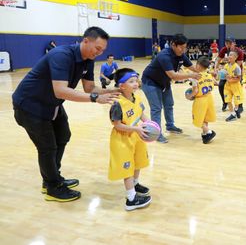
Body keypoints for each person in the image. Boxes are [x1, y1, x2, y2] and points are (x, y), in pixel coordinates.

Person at [13, 27, 120, 202]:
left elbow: (89, 88)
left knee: (63, 136)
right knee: (47, 147)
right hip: (30, 106)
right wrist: (94, 99)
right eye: (97, 48)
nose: (99, 53)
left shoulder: (88, 59)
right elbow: (61, 91)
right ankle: (53, 188)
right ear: (86, 41)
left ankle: (52, 178)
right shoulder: (61, 55)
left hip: (51, 105)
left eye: (102, 50)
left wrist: (113, 90)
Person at [141, 34, 200, 143]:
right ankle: (157, 134)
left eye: (185, 47)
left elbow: (192, 67)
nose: (183, 50)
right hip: (150, 82)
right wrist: (191, 75)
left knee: (169, 104)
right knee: (157, 108)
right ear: (173, 45)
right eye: (181, 47)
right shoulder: (164, 55)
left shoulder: (181, 54)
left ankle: (170, 125)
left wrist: (207, 71)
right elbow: (173, 75)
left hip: (164, 82)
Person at [108, 68, 151, 211]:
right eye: (131, 81)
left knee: (138, 162)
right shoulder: (117, 104)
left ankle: (135, 183)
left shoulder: (137, 98)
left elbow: (141, 114)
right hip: (122, 139)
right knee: (127, 169)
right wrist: (137, 129)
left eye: (136, 81)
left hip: (136, 135)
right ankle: (131, 199)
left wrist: (150, 125)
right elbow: (117, 125)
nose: (135, 84)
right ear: (121, 86)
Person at [187, 56, 217, 144]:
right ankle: (205, 134)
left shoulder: (195, 77)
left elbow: (195, 91)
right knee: (205, 117)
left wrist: (189, 96)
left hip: (200, 100)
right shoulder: (209, 75)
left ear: (199, 66)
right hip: (209, 98)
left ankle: (209, 132)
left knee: (198, 118)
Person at [215, 37, 245, 116]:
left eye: (230, 43)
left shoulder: (239, 51)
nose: (228, 45)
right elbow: (218, 60)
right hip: (227, 71)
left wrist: (231, 76)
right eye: (226, 43)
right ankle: (225, 102)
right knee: (221, 85)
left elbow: (238, 64)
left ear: (234, 43)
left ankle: (240, 106)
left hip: (236, 73)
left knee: (238, 89)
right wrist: (216, 69)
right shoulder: (224, 50)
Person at [224, 51, 244, 122]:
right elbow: (225, 75)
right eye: (229, 55)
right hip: (227, 86)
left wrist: (231, 79)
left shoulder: (237, 67)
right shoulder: (226, 66)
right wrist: (225, 76)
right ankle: (232, 114)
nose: (229, 56)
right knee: (228, 100)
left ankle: (236, 110)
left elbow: (239, 78)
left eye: (231, 55)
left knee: (236, 101)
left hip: (235, 86)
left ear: (235, 58)